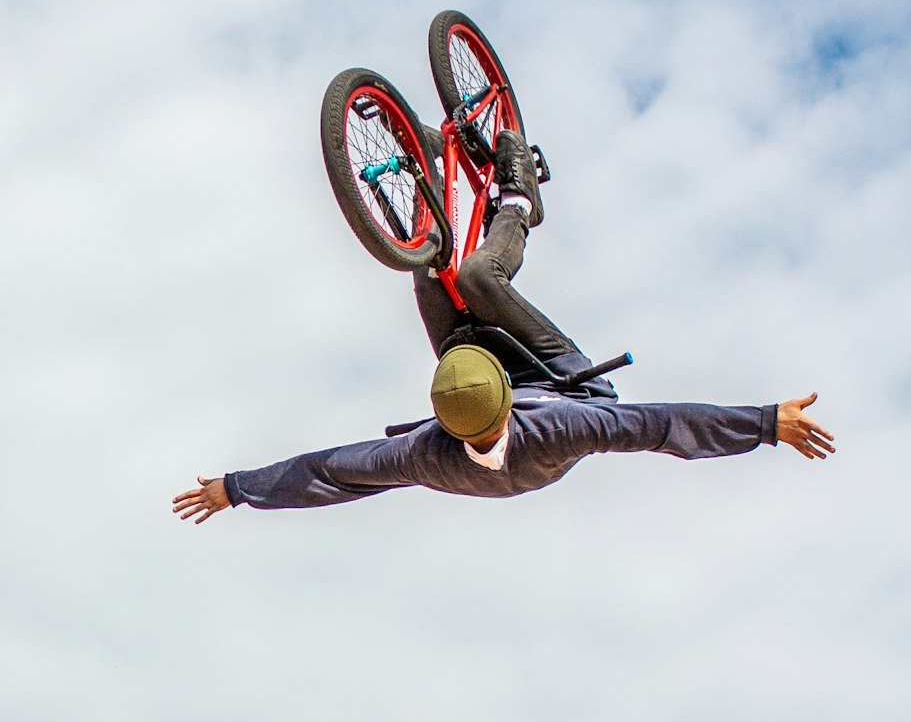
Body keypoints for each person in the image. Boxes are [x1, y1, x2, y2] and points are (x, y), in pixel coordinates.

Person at [173, 132, 835, 524]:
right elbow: (662, 427)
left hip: (488, 406)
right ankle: (519, 200)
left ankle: (431, 187)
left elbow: (330, 472)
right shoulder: (569, 424)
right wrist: (765, 422)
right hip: (565, 386)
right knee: (482, 281)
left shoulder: (421, 452)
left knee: (431, 277)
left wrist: (235, 490)